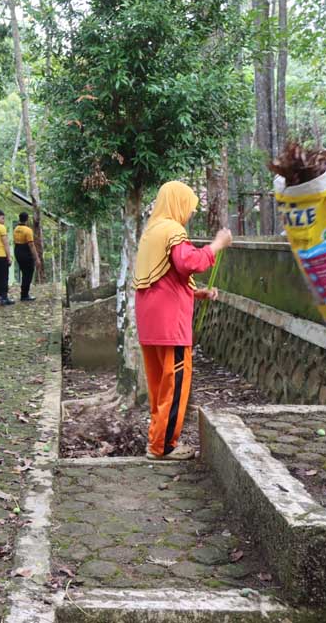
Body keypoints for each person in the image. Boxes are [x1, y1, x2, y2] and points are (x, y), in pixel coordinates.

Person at [133, 181, 232, 461]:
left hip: (150, 323)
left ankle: (156, 439)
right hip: (170, 326)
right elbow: (189, 263)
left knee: (158, 386)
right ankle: (163, 447)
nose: (189, 213)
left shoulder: (151, 231)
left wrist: (196, 293)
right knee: (175, 385)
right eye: (189, 206)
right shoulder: (173, 230)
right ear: (177, 203)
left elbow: (163, 278)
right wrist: (217, 245)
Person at [13, 212, 36, 301]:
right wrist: (36, 257)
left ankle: (24, 293)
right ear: (27, 219)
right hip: (26, 251)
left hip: (17, 250)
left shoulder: (16, 229)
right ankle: (24, 295)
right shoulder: (28, 230)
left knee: (24, 272)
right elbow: (31, 245)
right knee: (28, 273)